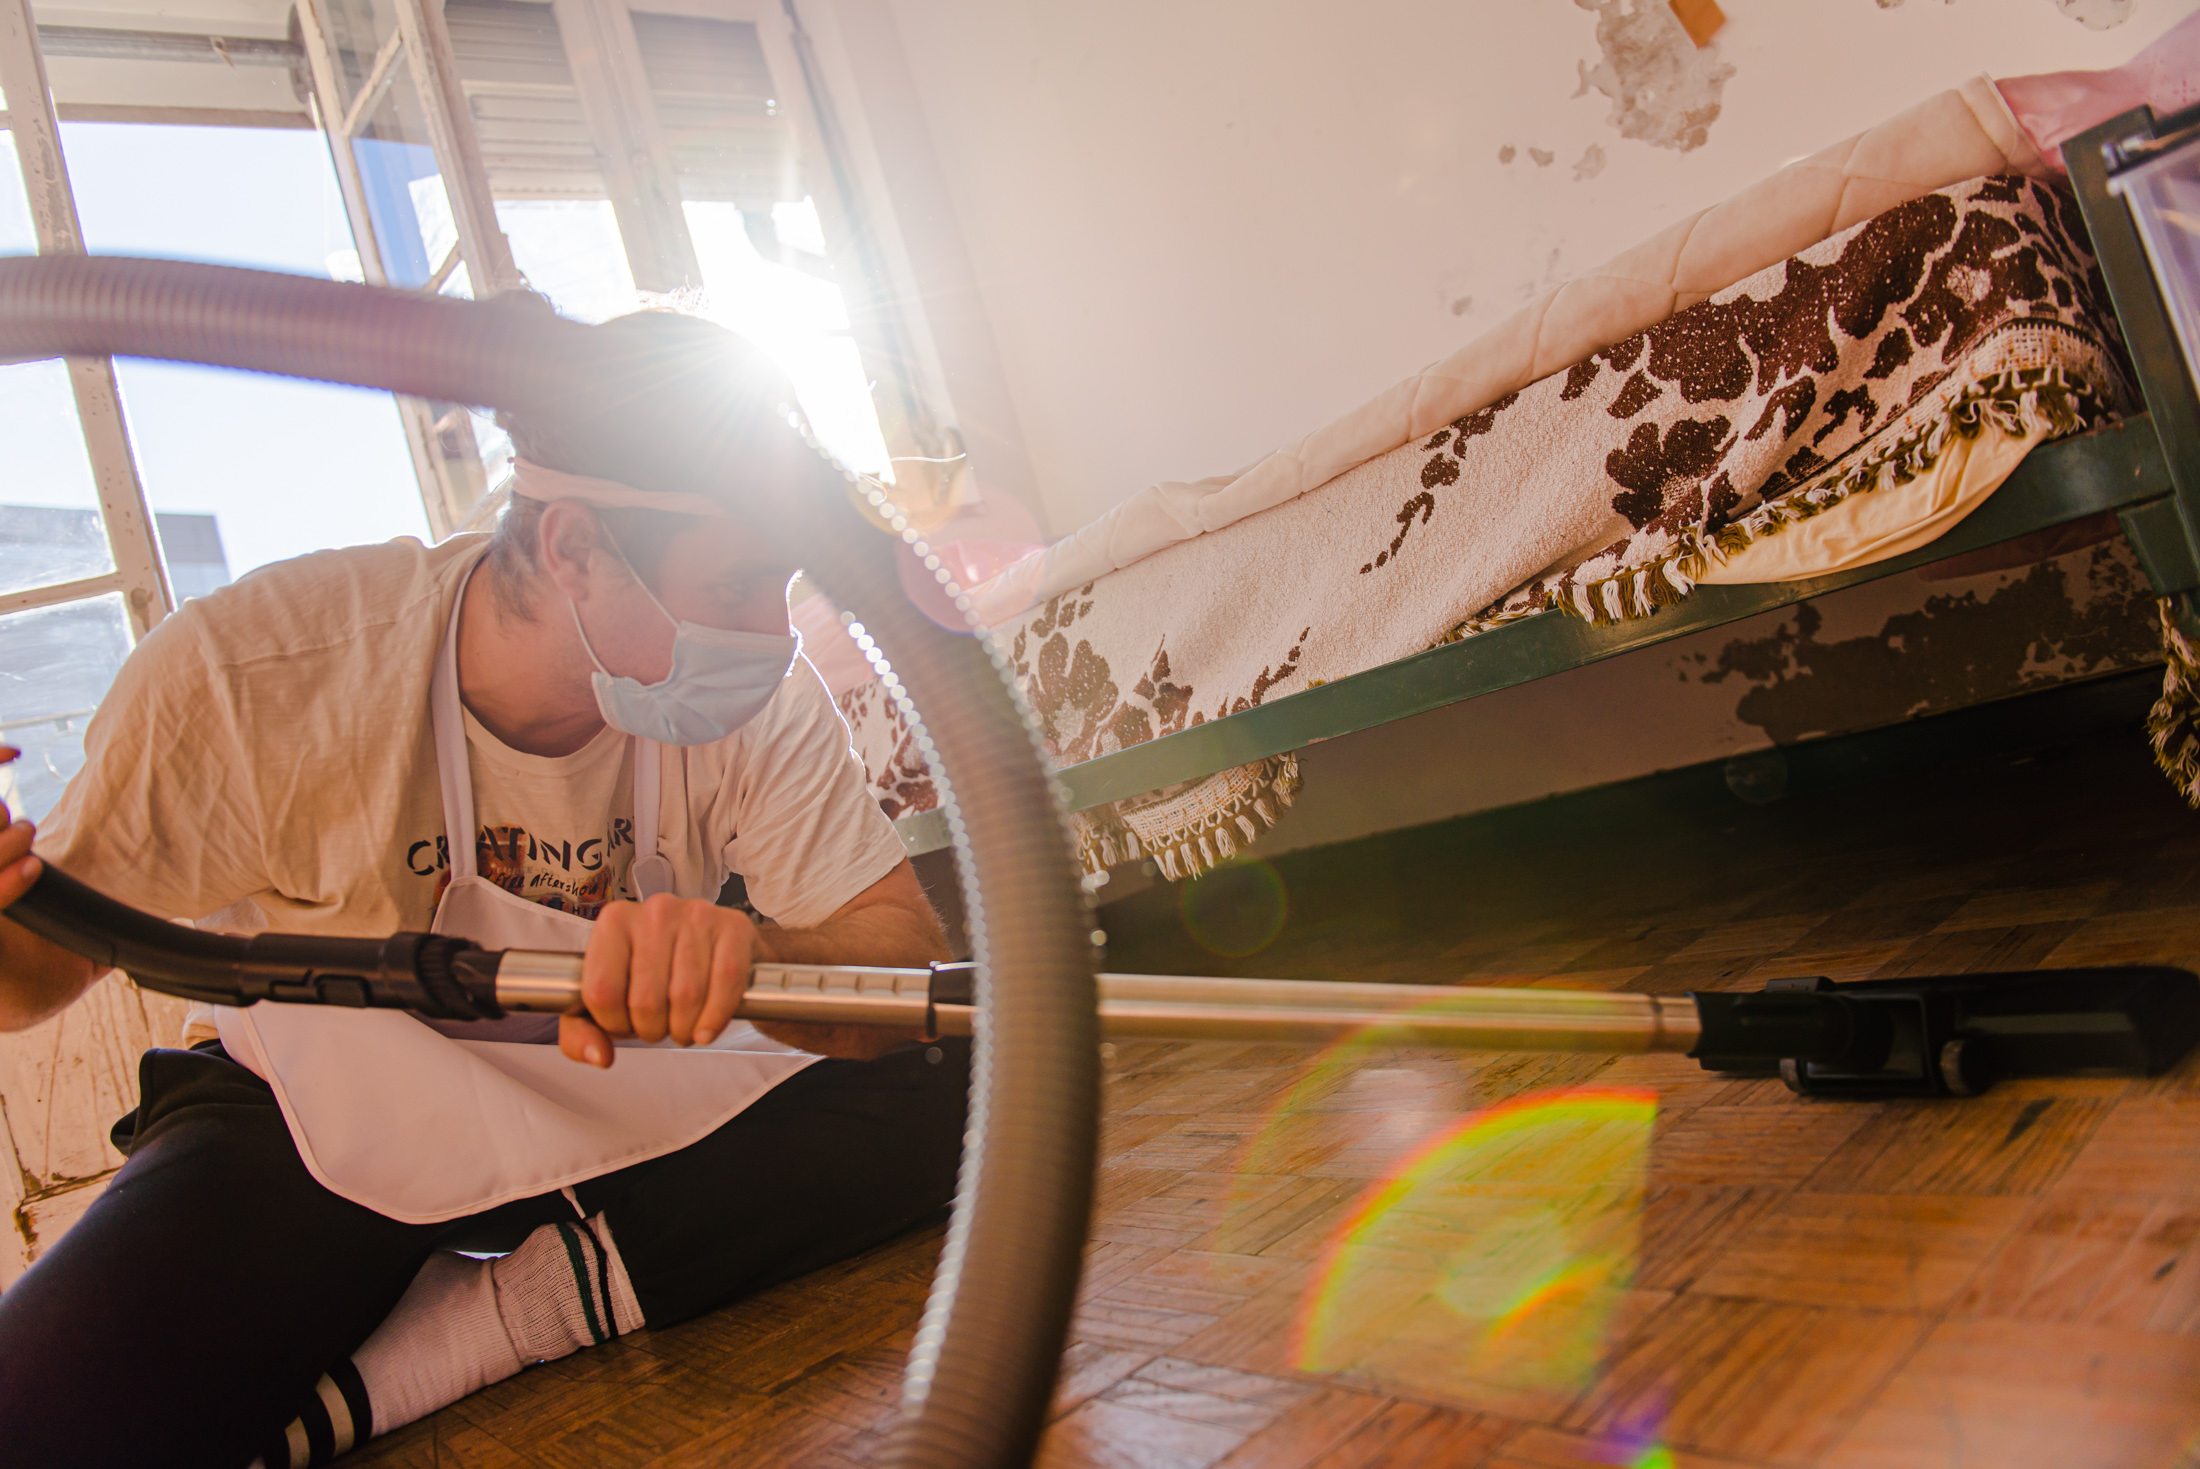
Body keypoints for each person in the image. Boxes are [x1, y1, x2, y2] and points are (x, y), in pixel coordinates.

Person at [0, 309, 967, 1468]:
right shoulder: (256, 674)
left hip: (626, 1088)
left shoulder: (763, 700)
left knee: (962, 1078)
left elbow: (904, 956)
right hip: (316, 1124)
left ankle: (477, 1327)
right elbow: (29, 974)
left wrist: (757, 958)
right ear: (573, 546)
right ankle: (546, 1265)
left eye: (783, 583)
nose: (770, 630)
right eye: (738, 583)